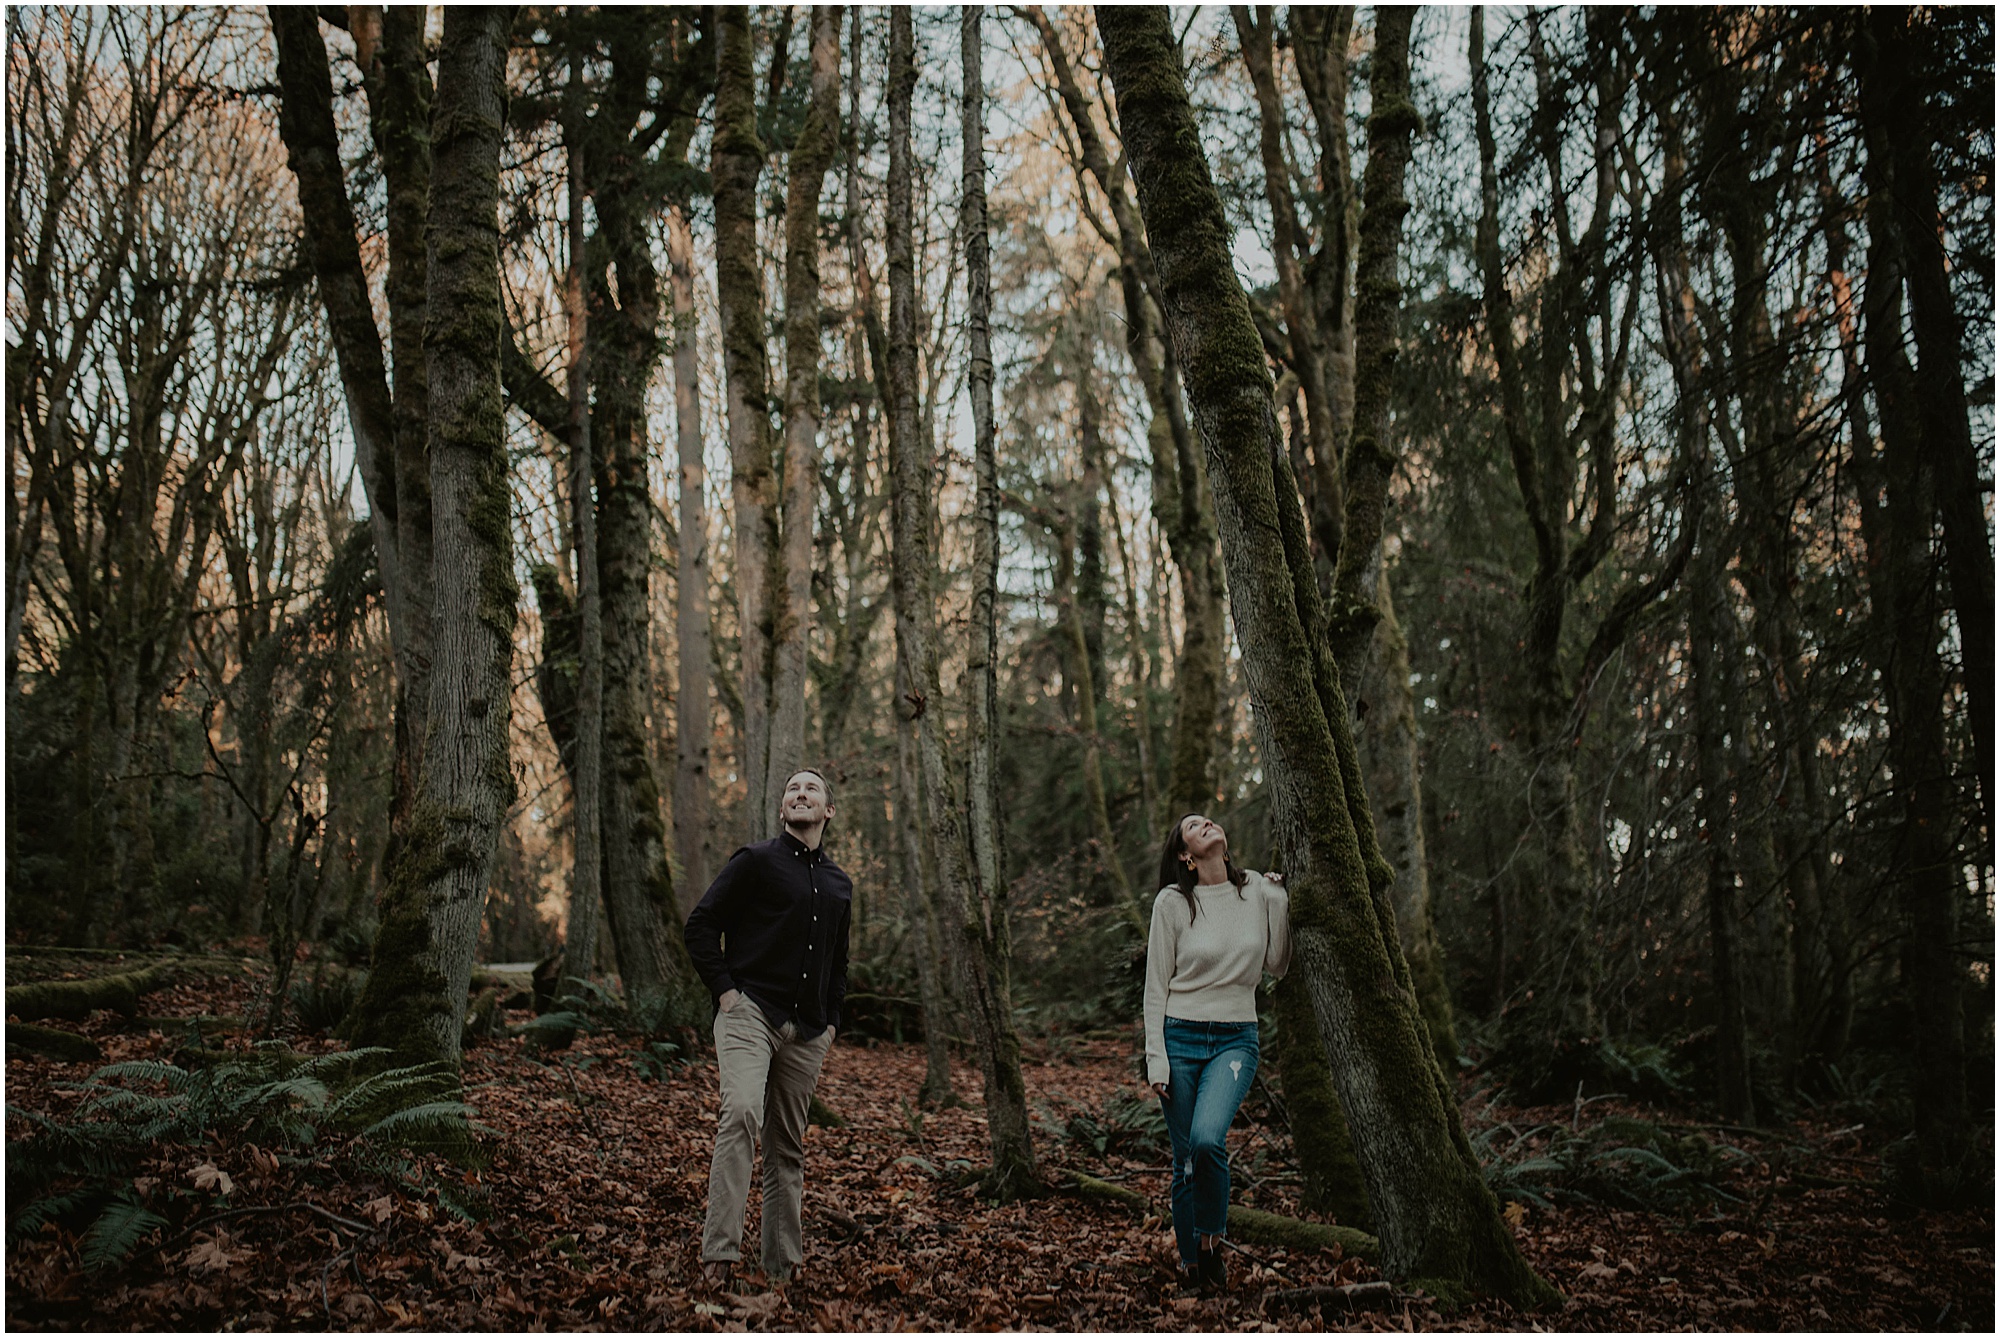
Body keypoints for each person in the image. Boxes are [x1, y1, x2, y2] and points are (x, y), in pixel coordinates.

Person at [684, 768, 851, 1289]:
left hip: (807, 1032)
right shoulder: (755, 861)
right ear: (782, 809)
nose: (800, 794)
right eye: (792, 789)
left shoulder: (839, 884)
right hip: (750, 1014)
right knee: (740, 1112)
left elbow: (839, 962)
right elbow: (701, 925)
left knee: (787, 1146)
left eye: (811, 789)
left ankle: (781, 1268)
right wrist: (725, 992)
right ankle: (719, 1257)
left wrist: (832, 1024)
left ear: (827, 811)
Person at [1144, 812, 1290, 1293]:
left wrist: (1278, 900)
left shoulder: (1257, 890)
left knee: (1207, 1141)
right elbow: (1156, 985)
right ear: (1185, 855)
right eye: (1192, 826)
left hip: (1234, 1038)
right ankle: (1192, 1268)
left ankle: (1209, 1242)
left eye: (1206, 819)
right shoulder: (1172, 903)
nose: (1205, 822)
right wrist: (1156, 1056)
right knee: (1184, 1159)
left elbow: (1277, 964)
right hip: (1179, 1038)